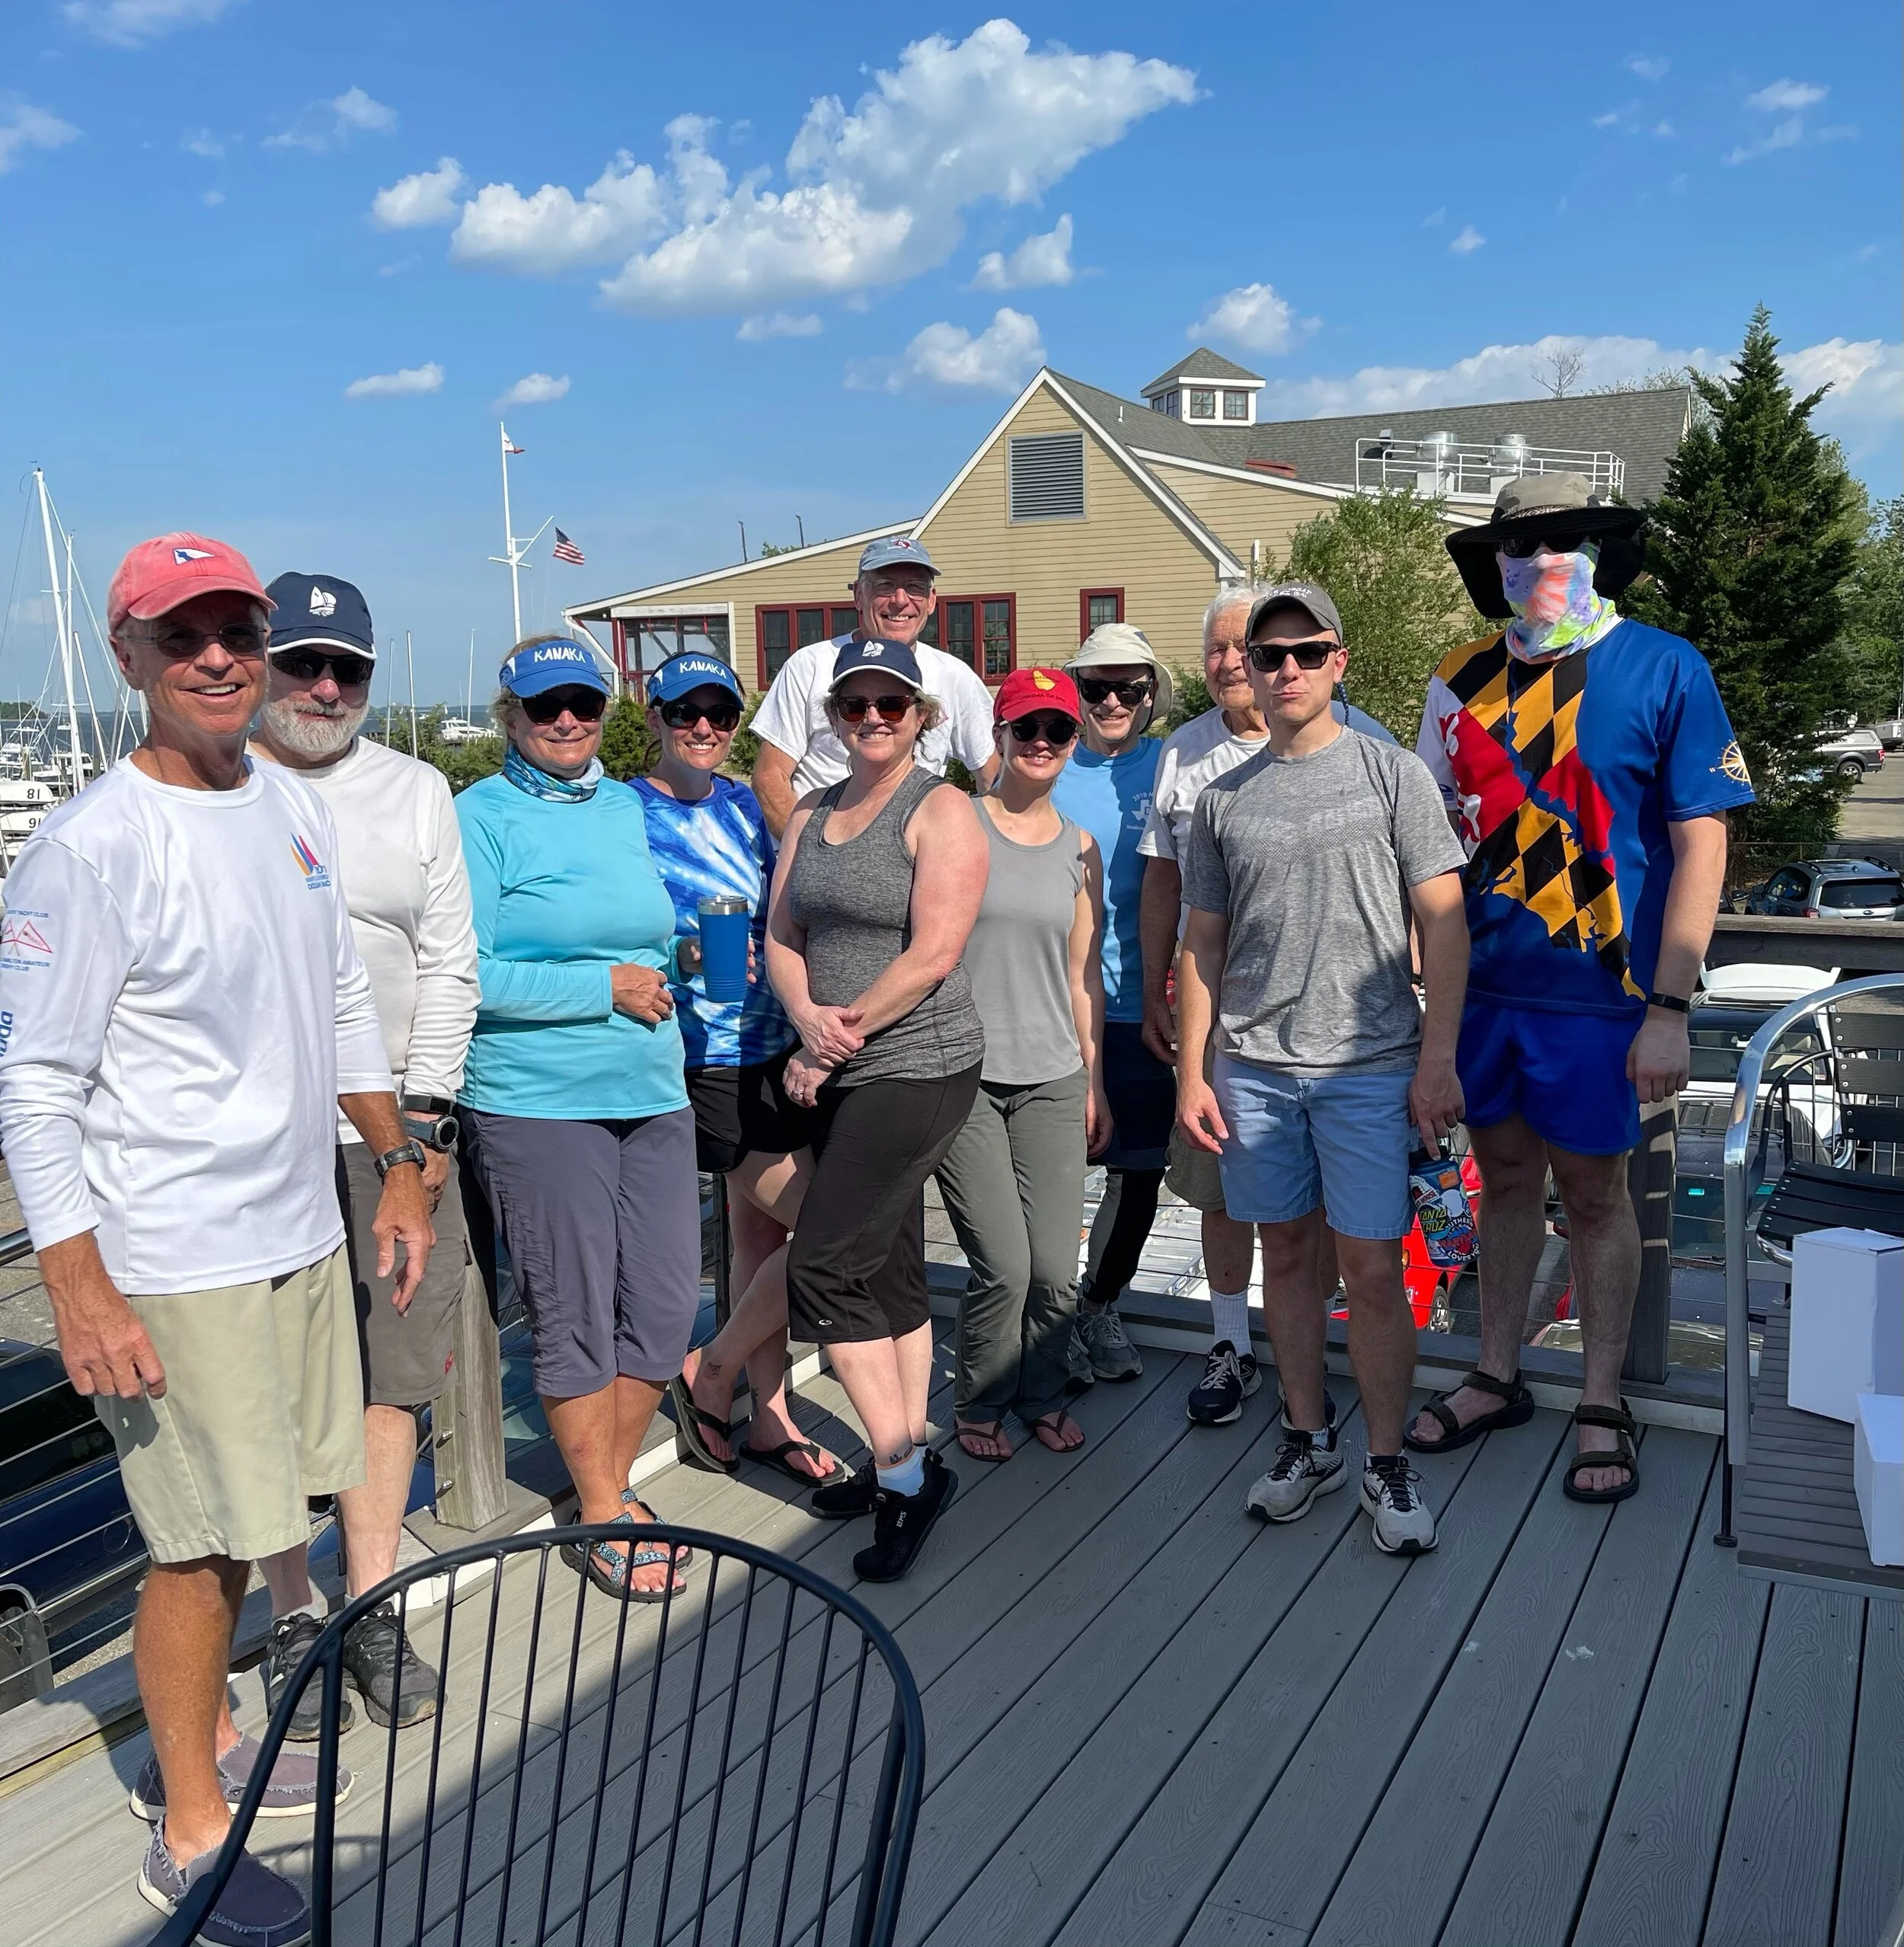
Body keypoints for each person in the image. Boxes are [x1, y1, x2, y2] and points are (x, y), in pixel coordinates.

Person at [0, 533, 432, 1945]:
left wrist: (399, 1163)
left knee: (256, 1527)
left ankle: (214, 1748)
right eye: (180, 633)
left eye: (237, 629)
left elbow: (344, 1002)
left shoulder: (283, 806)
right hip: (175, 1264)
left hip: (298, 1237)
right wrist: (79, 1286)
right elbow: (33, 1084)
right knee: (192, 1553)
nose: (218, 657)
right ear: (126, 654)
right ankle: (187, 1826)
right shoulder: (88, 847)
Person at [1406, 476, 1751, 1501]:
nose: (1542, 560)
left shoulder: (1666, 665)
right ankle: (1495, 1373)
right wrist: (1429, 1001)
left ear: (1601, 553)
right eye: (1521, 546)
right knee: (1504, 1182)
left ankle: (1602, 1401)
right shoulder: (1456, 678)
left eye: (1566, 540)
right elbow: (1427, 846)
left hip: (1610, 999)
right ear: (1495, 565)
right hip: (1484, 994)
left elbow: (1704, 844)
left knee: (1599, 1199)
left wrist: (1671, 1008)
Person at [1176, 585, 1469, 1554]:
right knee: (1287, 1260)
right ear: (1248, 671)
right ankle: (1310, 1439)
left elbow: (1444, 923)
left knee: (1374, 1269)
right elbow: (1201, 943)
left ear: (1338, 659)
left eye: (1307, 651)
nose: (1287, 668)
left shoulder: (1392, 775)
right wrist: (1193, 1072)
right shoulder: (1221, 798)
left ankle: (1385, 1459)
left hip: (1369, 1067)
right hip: (1253, 1070)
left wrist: (1436, 1061)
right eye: (1269, 655)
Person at [250, 570, 480, 1741]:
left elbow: (448, 963)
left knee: (392, 1375)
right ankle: (296, 1611)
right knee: (276, 1381)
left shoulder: (418, 788)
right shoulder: (216, 788)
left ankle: (372, 1598)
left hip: (392, 1142)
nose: (326, 687)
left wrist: (425, 1123)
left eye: (348, 669)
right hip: (254, 1148)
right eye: (303, 663)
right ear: (260, 666)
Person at [455, 635, 702, 1601]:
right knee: (574, 1315)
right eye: (544, 704)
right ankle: (603, 1506)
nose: (566, 720)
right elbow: (466, 975)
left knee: (667, 1307)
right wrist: (602, 988)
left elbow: (643, 941)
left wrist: (683, 961)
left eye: (584, 704)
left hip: (652, 1087)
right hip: (536, 1099)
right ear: (510, 716)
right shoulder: (479, 814)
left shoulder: (623, 807)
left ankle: (609, 1479)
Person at [1142, 587, 1398, 1428]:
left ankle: (1327, 1384)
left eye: (1303, 652)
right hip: (1230, 1033)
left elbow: (1427, 904)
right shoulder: (1188, 757)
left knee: (1339, 1239)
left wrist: (1431, 1039)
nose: (1246, 664)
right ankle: (1240, 1355)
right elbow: (1169, 891)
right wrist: (1166, 1009)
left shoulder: (1377, 754)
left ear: (1333, 661)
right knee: (1224, 1199)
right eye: (1235, 650)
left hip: (1355, 1047)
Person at [767, 639, 988, 1582]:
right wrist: (803, 1016)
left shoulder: (941, 808)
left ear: (920, 716)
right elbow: (782, 931)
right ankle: (906, 1457)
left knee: (822, 1269)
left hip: (918, 1067)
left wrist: (830, 1039)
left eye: (889, 704)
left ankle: (901, 1475)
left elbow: (933, 954)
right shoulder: (810, 811)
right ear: (832, 716)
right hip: (840, 1065)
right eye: (853, 704)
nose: (870, 718)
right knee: (889, 1265)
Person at [631, 649, 845, 1489]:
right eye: (685, 713)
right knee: (832, 1230)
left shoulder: (752, 806)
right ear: (655, 718)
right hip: (700, 1054)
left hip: (778, 1044)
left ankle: (772, 1415)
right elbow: (601, 929)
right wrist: (683, 955)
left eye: (720, 715)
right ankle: (711, 1368)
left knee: (764, 1238)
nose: (704, 728)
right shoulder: (623, 812)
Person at [937, 668, 1107, 1462]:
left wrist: (1094, 1081)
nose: (1042, 742)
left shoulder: (1081, 847)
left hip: (1053, 1075)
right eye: (1026, 727)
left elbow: (1082, 976)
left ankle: (1042, 1392)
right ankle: (980, 1399)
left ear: (1074, 741)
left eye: (1058, 730)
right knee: (1002, 1264)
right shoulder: (954, 823)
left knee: (1054, 1268)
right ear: (999, 735)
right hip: (965, 1074)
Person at [1051, 624, 1172, 1388]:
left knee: (1138, 1176)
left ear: (1151, 693)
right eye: (1097, 687)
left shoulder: (1173, 762)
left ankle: (1098, 1306)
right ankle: (1048, 1325)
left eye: (1129, 687)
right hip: (1056, 1009)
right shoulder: (1045, 759)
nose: (1113, 701)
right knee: (1055, 1180)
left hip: (1143, 1007)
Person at [749, 535, 998, 838]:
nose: (900, 600)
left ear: (932, 600)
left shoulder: (955, 676)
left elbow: (993, 777)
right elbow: (769, 778)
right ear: (858, 595)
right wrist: (810, 851)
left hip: (915, 855)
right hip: (820, 847)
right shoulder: (808, 666)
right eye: (884, 586)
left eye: (915, 587)